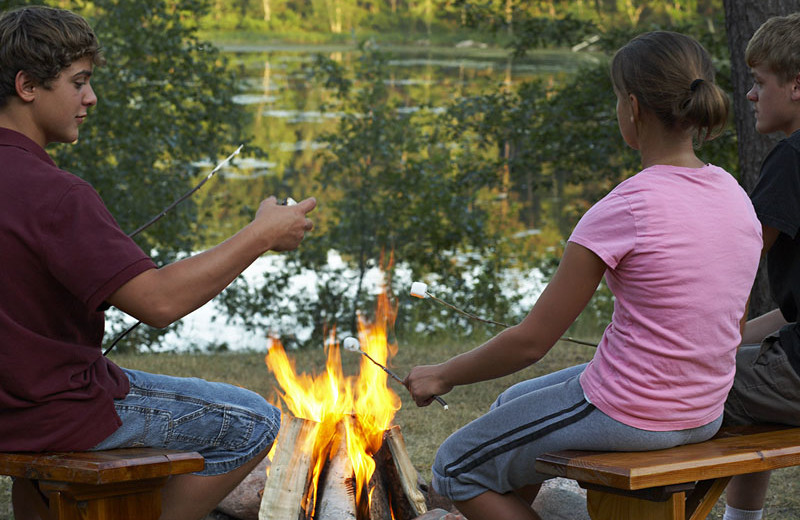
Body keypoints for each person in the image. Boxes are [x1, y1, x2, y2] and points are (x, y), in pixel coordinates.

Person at [403, 31, 763, 520]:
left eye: (617, 99)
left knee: (455, 467)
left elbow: (532, 342)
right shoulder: (734, 194)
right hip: (703, 411)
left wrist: (441, 375)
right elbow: (733, 327)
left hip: (633, 412)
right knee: (512, 400)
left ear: (632, 107)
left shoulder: (626, 207)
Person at [0, 6, 316, 520]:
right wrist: (260, 235)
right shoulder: (56, 195)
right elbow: (159, 301)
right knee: (254, 421)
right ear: (28, 85)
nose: (90, 98)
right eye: (79, 82)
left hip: (12, 410)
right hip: (53, 412)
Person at [721, 13, 800, 520]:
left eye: (759, 82)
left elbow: (731, 271)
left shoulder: (792, 158)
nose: (751, 96)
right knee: (744, 374)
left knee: (664, 392)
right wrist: (733, 338)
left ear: (796, 86)